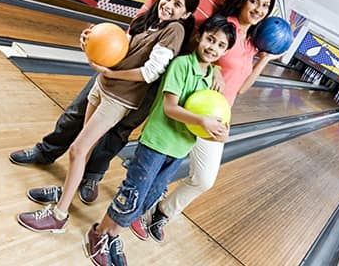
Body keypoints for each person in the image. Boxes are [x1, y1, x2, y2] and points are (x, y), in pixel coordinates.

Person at [8, 0, 248, 205]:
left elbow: (216, 38)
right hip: (127, 52)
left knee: (120, 130)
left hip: (162, 72)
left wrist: (217, 67)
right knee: (82, 108)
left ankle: (91, 175)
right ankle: (47, 151)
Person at [15, 0, 200, 233]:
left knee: (77, 150)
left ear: (186, 14)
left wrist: (109, 72)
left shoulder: (175, 31)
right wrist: (91, 42)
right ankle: (65, 196)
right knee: (84, 150)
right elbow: (117, 47)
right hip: (103, 87)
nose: (168, 6)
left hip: (118, 99)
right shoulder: (150, 20)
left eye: (178, 5)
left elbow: (149, 73)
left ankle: (59, 216)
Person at [130, 0, 284, 243]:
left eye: (265, 5)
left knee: (203, 179)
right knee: (162, 166)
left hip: (219, 116)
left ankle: (162, 211)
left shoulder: (251, 43)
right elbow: (197, 54)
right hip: (196, 108)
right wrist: (215, 72)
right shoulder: (227, 27)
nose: (259, 8)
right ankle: (134, 209)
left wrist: (263, 60)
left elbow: (242, 88)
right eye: (254, 1)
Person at [83, 16, 237, 266]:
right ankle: (100, 232)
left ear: (225, 51)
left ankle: (113, 235)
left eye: (220, 45)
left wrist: (221, 132)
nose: (213, 47)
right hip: (156, 142)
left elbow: (215, 116)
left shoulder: (211, 77)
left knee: (148, 197)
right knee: (132, 193)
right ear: (199, 36)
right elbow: (170, 108)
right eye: (210, 39)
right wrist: (202, 121)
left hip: (179, 148)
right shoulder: (181, 65)